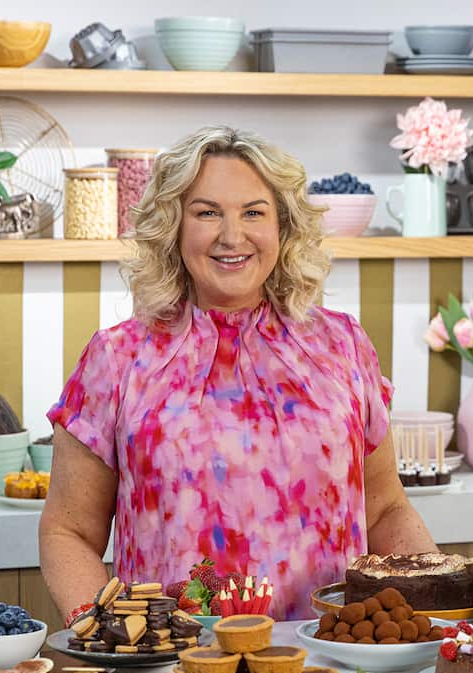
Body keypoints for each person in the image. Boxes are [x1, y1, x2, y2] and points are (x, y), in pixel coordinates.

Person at [40, 126, 435, 624]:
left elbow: (384, 512)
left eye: (253, 212)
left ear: (282, 227)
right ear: (174, 228)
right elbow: (68, 532)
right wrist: (111, 639)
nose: (233, 236)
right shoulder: (117, 358)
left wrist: (439, 617)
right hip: (173, 672)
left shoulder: (343, 347)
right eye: (207, 213)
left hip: (332, 661)